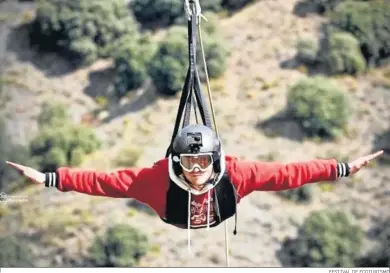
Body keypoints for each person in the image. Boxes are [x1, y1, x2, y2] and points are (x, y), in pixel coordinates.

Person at [6, 124, 383, 248]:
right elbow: (102, 181)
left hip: (218, 214)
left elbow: (290, 173)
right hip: (178, 217)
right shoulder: (153, 181)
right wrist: (52, 178)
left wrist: (343, 168)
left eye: (203, 161)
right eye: (189, 162)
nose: (197, 169)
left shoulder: (237, 174)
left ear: (215, 160)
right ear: (177, 162)